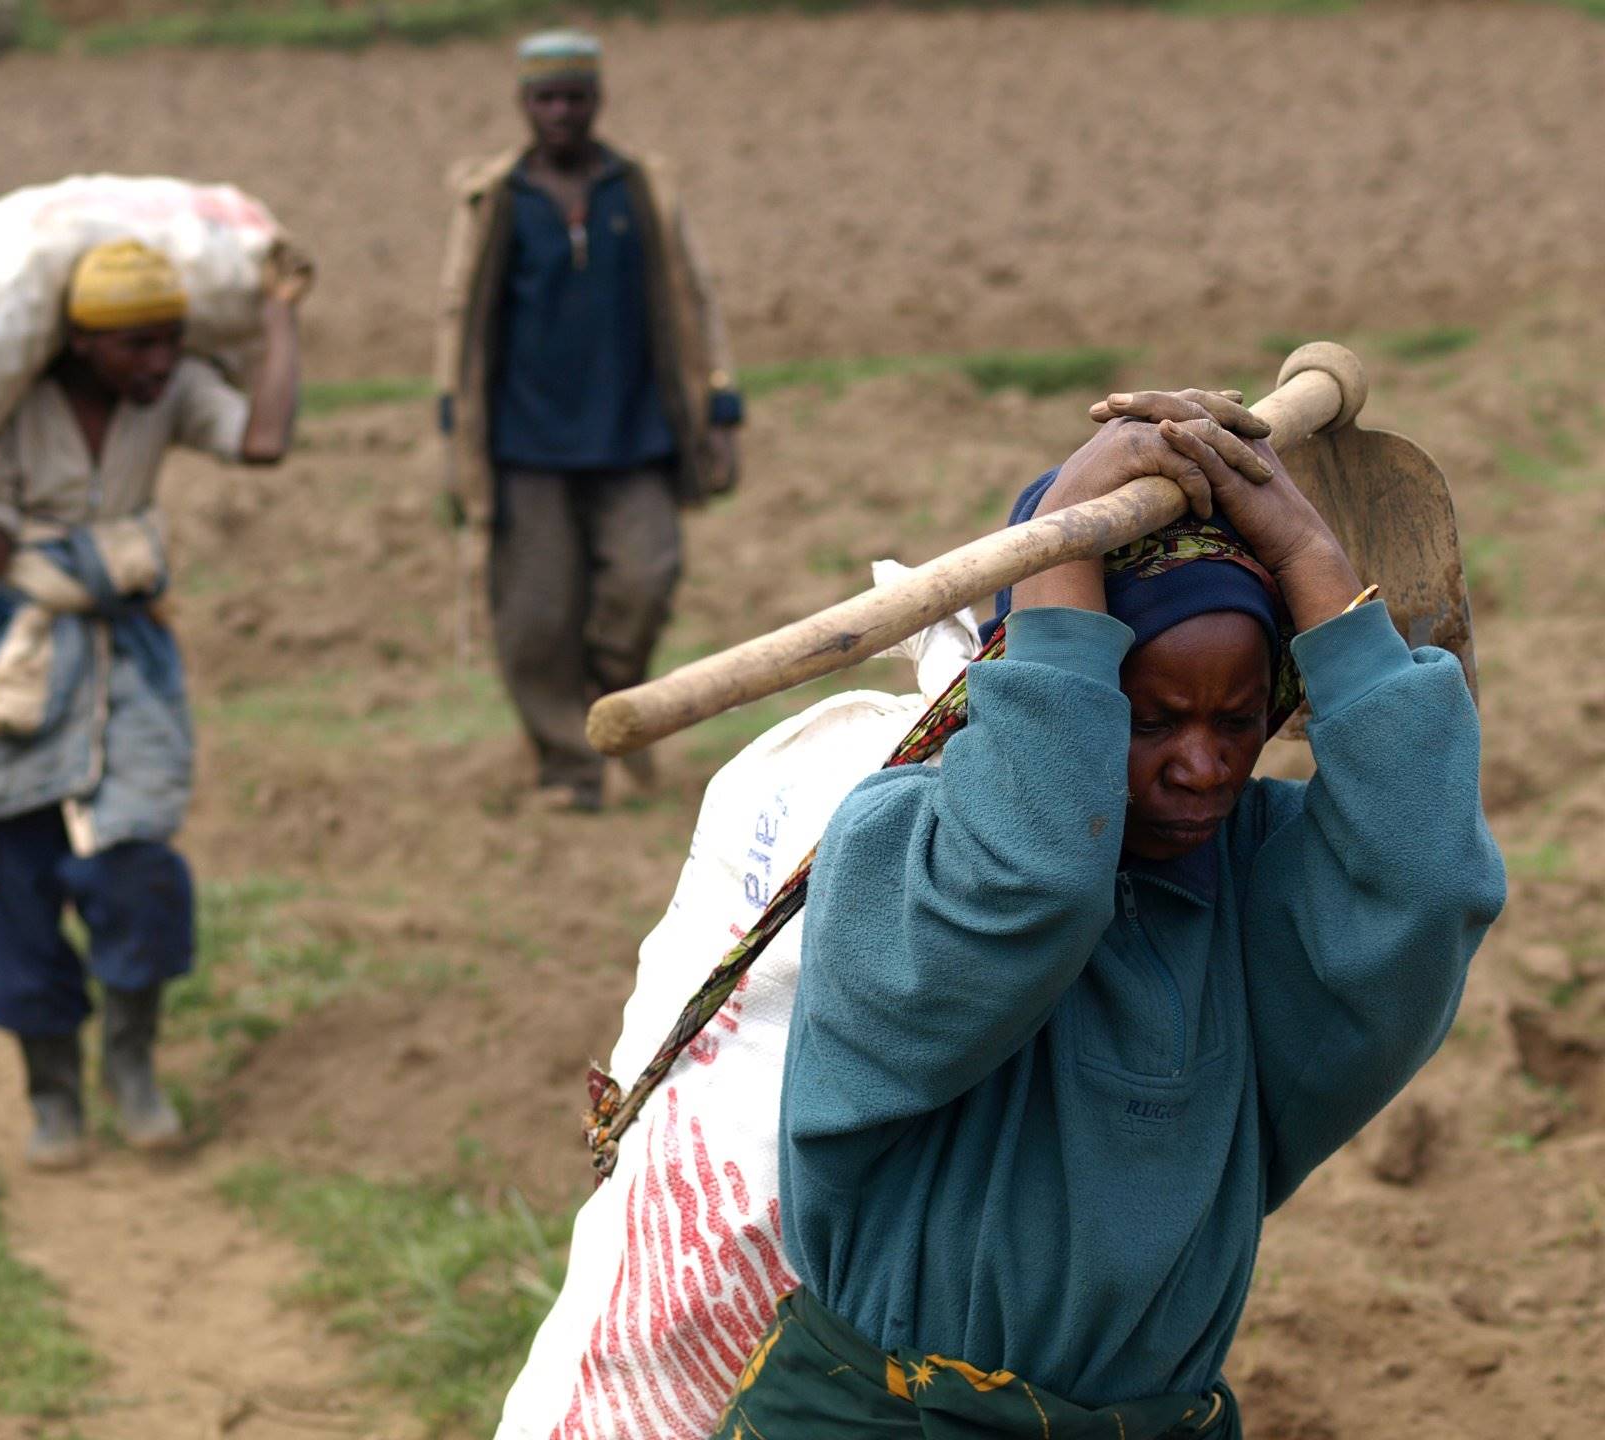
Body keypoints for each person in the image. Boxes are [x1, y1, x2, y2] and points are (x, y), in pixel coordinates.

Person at [716, 390, 1507, 1437]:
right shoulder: (895, 850)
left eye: (1238, 720)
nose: (1202, 765)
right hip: (884, 1418)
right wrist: (1065, 534)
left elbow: (1430, 886)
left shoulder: (1258, 881)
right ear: (1050, 676)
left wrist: (1308, 553)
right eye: (1148, 717)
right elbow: (1035, 883)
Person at [0, 239, 308, 1170]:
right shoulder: (5, 404)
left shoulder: (172, 391)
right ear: (74, 343)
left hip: (123, 652)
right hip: (7, 651)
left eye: (170, 342)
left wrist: (279, 313)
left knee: (137, 868)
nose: (157, 364)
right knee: (8, 878)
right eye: (134, 346)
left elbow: (263, 441)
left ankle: (132, 1064)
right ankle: (52, 1091)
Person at [434, 29, 744, 812]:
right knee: (535, 616)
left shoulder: (641, 190)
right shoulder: (495, 199)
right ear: (524, 105)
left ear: (597, 101)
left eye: (575, 97)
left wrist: (722, 408)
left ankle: (611, 699)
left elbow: (696, 300)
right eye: (546, 98)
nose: (561, 112)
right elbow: (455, 321)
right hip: (523, 443)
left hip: (634, 432)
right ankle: (570, 771)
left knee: (647, 576)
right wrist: (452, 434)